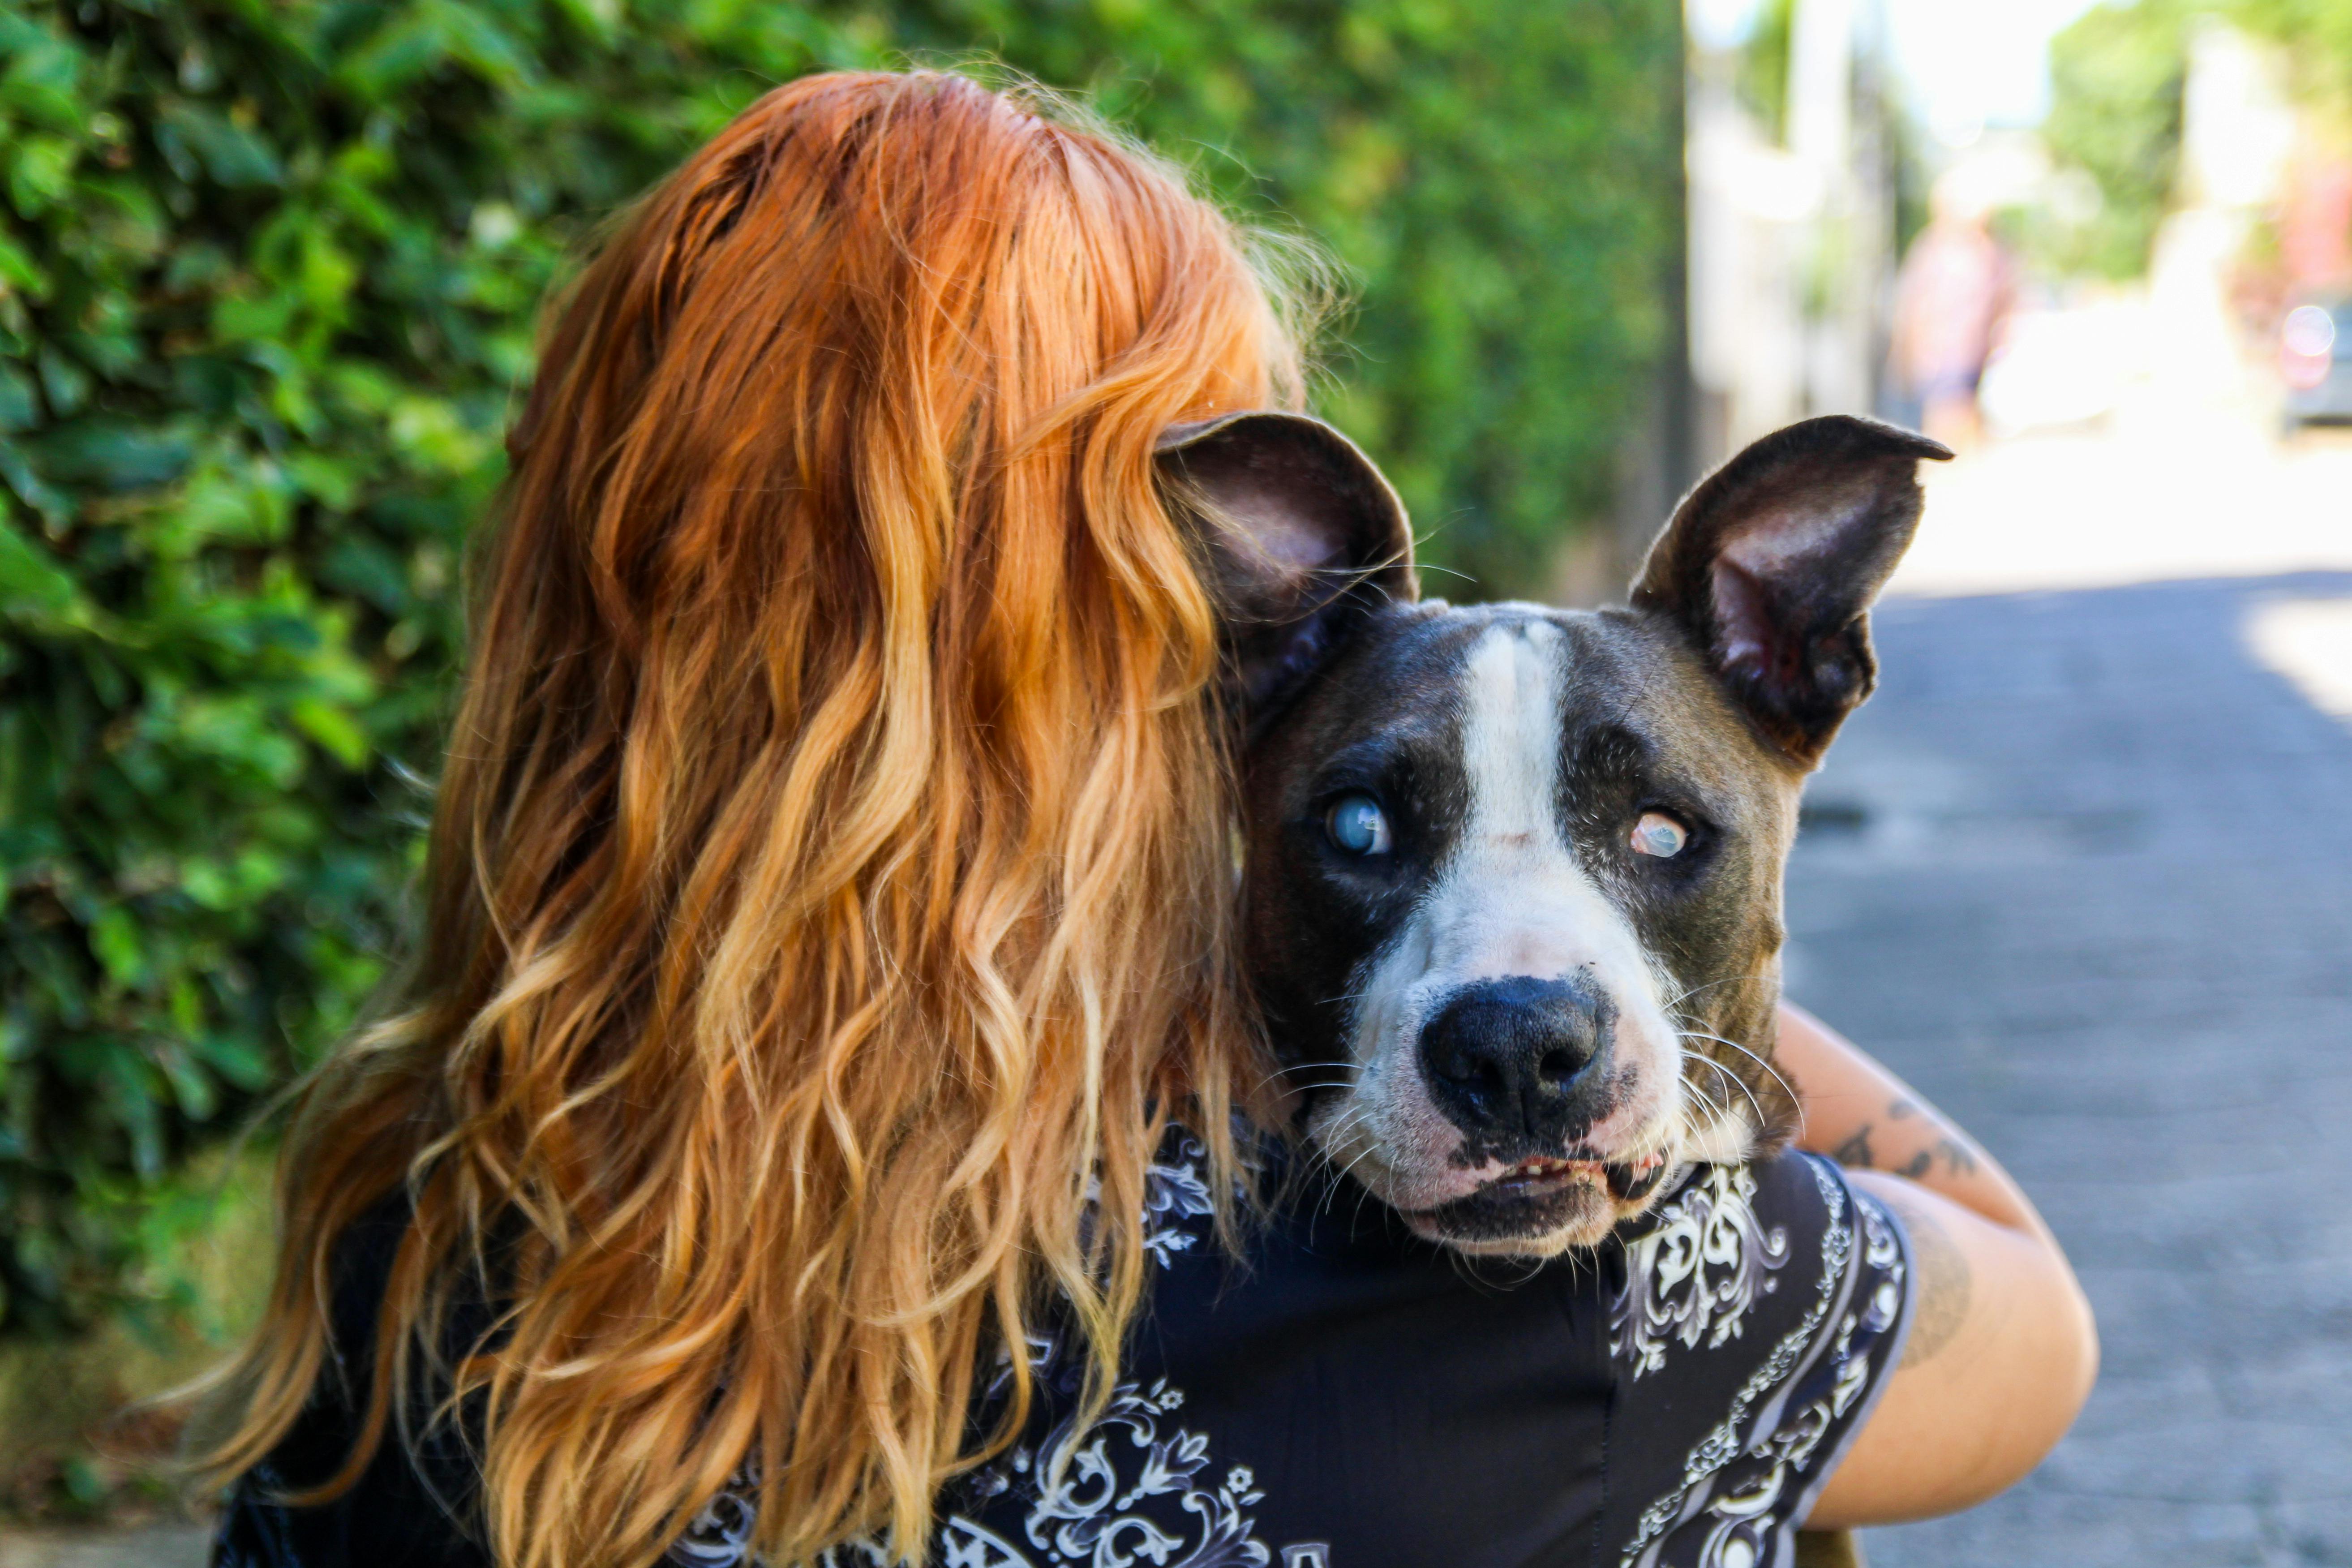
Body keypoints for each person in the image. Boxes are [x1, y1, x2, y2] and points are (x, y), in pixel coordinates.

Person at [202, 71, 2094, 1568]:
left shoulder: (414, 1245)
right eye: (1205, 557)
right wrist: (1645, 872)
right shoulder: (1493, 1274)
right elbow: (2030, 1325)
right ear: (1113, 657)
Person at [1889, 173, 2017, 452]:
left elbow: (2007, 303)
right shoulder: (1934, 248)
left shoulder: (1992, 252)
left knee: (1968, 431)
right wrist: (1907, 355)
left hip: (1976, 358)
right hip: (1940, 359)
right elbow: (1912, 307)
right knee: (1944, 434)